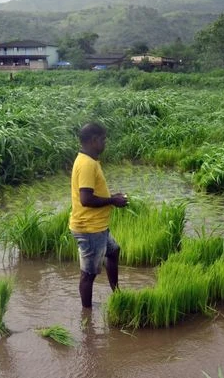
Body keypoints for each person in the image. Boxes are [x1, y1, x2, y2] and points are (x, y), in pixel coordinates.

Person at [69, 122, 128, 309]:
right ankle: (86, 315)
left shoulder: (89, 161)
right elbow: (86, 199)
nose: (105, 143)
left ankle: (117, 294)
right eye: (103, 139)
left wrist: (112, 197)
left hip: (97, 226)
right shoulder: (87, 164)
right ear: (94, 140)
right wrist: (112, 201)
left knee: (114, 251)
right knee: (88, 274)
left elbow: (91, 193)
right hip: (90, 228)